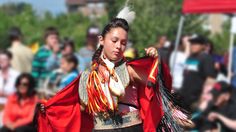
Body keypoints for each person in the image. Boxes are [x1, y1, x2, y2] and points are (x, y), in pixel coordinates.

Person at [37, 7, 191, 132]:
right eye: (114, 40)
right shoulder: (88, 75)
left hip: (130, 128)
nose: (119, 46)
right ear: (102, 40)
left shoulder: (130, 69)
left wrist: (154, 62)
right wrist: (52, 107)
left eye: (123, 42)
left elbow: (157, 84)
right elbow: (79, 108)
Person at [180, 35, 217, 112]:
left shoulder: (206, 58)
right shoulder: (190, 58)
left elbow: (210, 80)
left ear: (203, 46)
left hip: (196, 100)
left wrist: (202, 99)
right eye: (192, 43)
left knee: (193, 123)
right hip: (184, 99)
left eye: (196, 44)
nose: (193, 46)